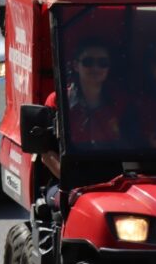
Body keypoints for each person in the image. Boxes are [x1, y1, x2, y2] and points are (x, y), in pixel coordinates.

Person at [40, 39, 127, 178]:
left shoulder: (120, 102)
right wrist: (73, 183)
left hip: (113, 181)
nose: (96, 68)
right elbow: (46, 154)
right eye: (88, 62)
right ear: (75, 65)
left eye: (102, 63)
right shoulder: (58, 100)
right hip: (68, 183)